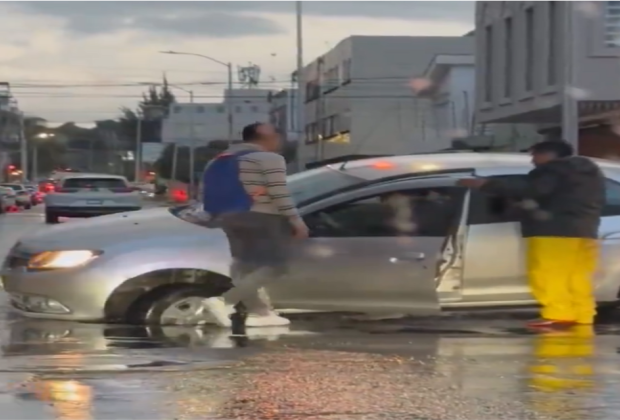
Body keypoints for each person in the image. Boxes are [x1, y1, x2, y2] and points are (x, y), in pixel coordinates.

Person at [457, 140, 605, 328]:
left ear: (548, 154)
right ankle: (583, 315)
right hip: (586, 231)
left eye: (534, 155)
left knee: (549, 274)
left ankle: (558, 314)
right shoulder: (590, 173)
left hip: (553, 232)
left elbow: (530, 189)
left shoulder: (552, 170)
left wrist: (485, 184)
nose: (532, 161)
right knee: (579, 277)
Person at [201, 122, 309, 330]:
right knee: (276, 265)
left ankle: (260, 312)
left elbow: (205, 192)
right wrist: (296, 221)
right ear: (264, 137)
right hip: (261, 217)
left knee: (247, 265)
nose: (280, 138)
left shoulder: (218, 160)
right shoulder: (268, 158)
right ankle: (224, 301)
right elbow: (279, 192)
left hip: (227, 218)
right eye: (277, 134)